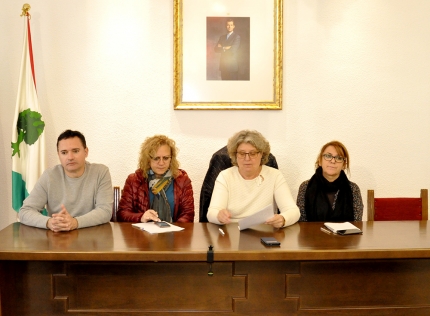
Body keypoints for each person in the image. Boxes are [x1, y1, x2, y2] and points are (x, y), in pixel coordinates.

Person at [19, 130, 113, 232]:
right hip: (58, 237)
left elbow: (105, 211)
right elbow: (25, 211)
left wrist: (75, 222)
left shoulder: (101, 172)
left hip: (92, 237)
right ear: (58, 155)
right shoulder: (49, 176)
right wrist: (49, 222)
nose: (70, 157)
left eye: (75, 151)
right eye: (64, 152)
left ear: (86, 152)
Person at [207, 130, 300, 228]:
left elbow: (293, 211)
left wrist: (283, 218)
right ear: (235, 155)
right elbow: (211, 213)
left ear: (261, 154)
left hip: (264, 231)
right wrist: (219, 216)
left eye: (253, 153)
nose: (247, 158)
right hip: (232, 232)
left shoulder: (275, 175)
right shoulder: (225, 176)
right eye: (242, 153)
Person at [117, 135, 194, 223]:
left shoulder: (182, 180)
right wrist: (141, 217)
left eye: (165, 158)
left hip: (174, 234)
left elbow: (188, 214)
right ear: (148, 159)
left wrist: (173, 230)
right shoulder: (134, 180)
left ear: (171, 159)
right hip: (142, 234)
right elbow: (122, 214)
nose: (161, 163)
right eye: (156, 158)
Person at [296, 141, 363, 222]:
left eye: (339, 158)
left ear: (344, 165)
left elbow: (357, 223)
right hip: (312, 234)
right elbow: (302, 223)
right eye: (328, 156)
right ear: (320, 161)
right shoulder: (305, 187)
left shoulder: (353, 189)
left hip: (347, 235)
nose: (333, 161)